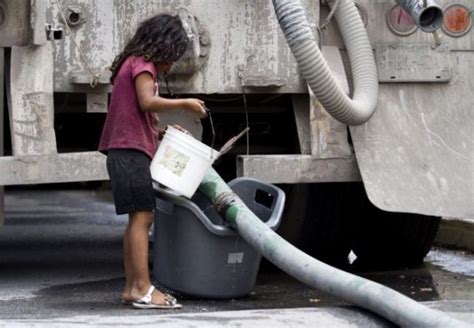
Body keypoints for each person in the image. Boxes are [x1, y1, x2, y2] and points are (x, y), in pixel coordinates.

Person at [99, 13, 207, 309]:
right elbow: (147, 102)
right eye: (172, 56)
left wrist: (160, 133)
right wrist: (185, 103)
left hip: (125, 149)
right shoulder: (142, 65)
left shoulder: (132, 63)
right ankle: (144, 289)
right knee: (143, 218)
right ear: (163, 46)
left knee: (138, 218)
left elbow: (135, 114)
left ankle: (132, 287)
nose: (171, 65)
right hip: (129, 152)